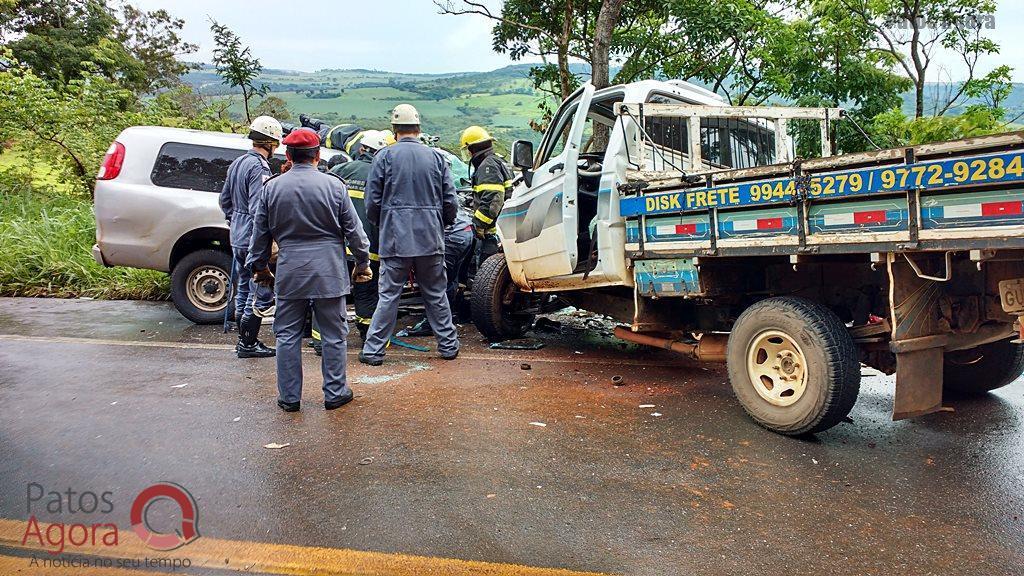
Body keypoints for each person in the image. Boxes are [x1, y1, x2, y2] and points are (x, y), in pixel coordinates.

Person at [247, 128, 371, 412]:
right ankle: (335, 392)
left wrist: (260, 267)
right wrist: (362, 264)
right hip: (329, 270)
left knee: (287, 334)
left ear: (288, 156)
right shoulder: (334, 186)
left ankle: (290, 398)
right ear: (317, 155)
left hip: (291, 271)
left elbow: (260, 236)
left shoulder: (272, 188)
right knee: (333, 334)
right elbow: (355, 232)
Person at [359, 104, 460, 366]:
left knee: (389, 295)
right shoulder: (437, 158)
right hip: (430, 238)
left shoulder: (384, 157)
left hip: (395, 239)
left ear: (394, 130)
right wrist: (442, 224)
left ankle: (373, 351)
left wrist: (383, 224)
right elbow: (451, 201)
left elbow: (372, 202)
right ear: (418, 128)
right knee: (436, 293)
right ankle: (448, 346)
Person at [308, 130, 388, 355]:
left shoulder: (339, 171)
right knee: (367, 294)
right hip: (370, 249)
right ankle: (367, 337)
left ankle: (320, 341)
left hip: (336, 248)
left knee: (328, 295)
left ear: (362, 149)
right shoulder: (383, 176)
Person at [219, 115, 281, 359]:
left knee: (243, 287)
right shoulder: (259, 167)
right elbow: (259, 208)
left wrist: (235, 222)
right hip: (252, 237)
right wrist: (266, 238)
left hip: (237, 234)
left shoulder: (237, 163)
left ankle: (243, 340)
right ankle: (248, 343)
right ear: (270, 142)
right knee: (261, 289)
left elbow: (225, 200)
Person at [400, 209, 475, 336]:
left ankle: (432, 324)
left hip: (450, 235)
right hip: (465, 231)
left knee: (435, 282)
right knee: (449, 279)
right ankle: (446, 318)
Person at [459, 125, 514, 265]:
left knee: (486, 277)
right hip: (506, 229)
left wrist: (479, 225)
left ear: (473, 149)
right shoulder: (498, 160)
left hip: (492, 233)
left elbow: (493, 199)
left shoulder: (486, 166)